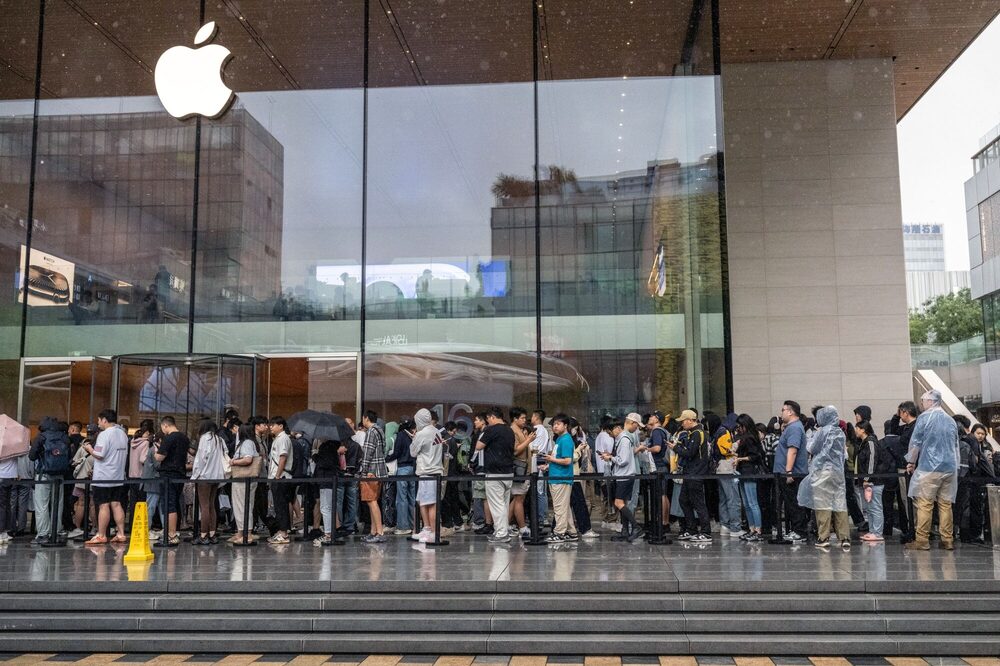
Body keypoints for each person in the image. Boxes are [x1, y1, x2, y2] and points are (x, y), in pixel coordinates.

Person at [904, 390, 959, 551]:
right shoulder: (950, 419)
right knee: (945, 504)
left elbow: (916, 442)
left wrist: (911, 462)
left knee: (925, 503)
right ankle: (947, 539)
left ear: (930, 401)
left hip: (929, 468)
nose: (922, 404)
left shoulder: (924, 418)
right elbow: (955, 445)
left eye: (923, 401)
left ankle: (922, 540)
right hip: (949, 467)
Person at [798, 406, 850, 550]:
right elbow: (843, 454)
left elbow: (812, 448)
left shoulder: (822, 431)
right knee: (840, 504)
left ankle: (823, 537)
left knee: (823, 505)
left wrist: (811, 440)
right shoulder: (840, 432)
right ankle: (844, 537)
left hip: (822, 472)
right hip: (838, 473)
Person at [83, 410, 129, 546]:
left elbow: (99, 454)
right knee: (116, 504)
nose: (98, 423)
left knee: (103, 505)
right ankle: (121, 533)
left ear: (104, 420)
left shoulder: (104, 434)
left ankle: (101, 535)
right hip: (118, 476)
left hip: (103, 476)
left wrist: (89, 448)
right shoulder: (123, 434)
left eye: (99, 420)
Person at [671, 409, 712, 543]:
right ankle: (691, 529)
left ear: (690, 420)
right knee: (684, 500)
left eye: (683, 421)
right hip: (690, 473)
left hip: (696, 473)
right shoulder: (693, 433)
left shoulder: (698, 433)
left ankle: (706, 532)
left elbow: (689, 453)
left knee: (698, 502)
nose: (682, 423)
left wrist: (675, 448)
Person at [28, 417, 70, 544]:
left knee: (42, 505)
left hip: (44, 474)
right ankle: (56, 531)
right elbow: (69, 455)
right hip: (60, 475)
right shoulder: (64, 437)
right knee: (58, 504)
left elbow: (32, 456)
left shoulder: (41, 437)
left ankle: (43, 534)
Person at [478, 407, 515, 544]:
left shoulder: (491, 430)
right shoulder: (509, 430)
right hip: (508, 471)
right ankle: (502, 530)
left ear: (492, 417)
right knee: (504, 504)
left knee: (497, 504)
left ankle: (501, 533)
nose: (488, 422)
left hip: (494, 472)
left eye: (488, 419)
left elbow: (478, 446)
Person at [600, 415, 640, 542]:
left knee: (618, 503)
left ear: (617, 428)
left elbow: (623, 461)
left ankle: (636, 527)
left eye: (610, 432)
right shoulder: (621, 439)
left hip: (624, 476)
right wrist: (611, 456)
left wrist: (610, 458)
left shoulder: (624, 440)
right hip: (623, 475)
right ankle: (625, 531)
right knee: (623, 503)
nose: (609, 434)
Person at [774, 400, 809, 541]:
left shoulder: (794, 428)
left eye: (783, 410)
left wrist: (788, 471)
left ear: (790, 412)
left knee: (795, 503)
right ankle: (797, 530)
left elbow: (793, 450)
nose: (781, 413)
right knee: (791, 503)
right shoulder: (791, 427)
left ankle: (800, 532)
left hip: (792, 473)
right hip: (789, 473)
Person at [856, 420, 893, 543]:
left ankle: (877, 532)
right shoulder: (864, 443)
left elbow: (872, 461)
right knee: (870, 508)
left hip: (873, 481)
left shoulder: (870, 442)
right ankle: (872, 531)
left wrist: (867, 478)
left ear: (863, 429)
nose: (856, 431)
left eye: (857, 428)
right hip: (867, 481)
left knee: (875, 507)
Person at [191, 421, 227, 545]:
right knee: (211, 505)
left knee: (204, 506)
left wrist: (195, 475)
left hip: (204, 476)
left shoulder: (205, 439)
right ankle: (212, 534)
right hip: (216, 476)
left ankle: (203, 535)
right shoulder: (219, 439)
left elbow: (201, 459)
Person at [542, 414, 576, 543]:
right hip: (557, 476)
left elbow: (567, 461)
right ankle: (571, 532)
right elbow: (559, 459)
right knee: (564, 507)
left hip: (561, 478)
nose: (555, 426)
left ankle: (559, 533)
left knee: (559, 508)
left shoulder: (566, 440)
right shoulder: (560, 439)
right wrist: (548, 465)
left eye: (558, 424)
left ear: (565, 425)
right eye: (554, 424)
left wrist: (551, 459)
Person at [410, 408, 443, 543]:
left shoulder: (421, 434)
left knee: (430, 503)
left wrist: (414, 438)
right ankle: (427, 529)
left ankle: (434, 533)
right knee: (422, 501)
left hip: (427, 471)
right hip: (433, 470)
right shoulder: (436, 431)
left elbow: (413, 452)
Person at [155, 416, 189, 546]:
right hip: (180, 474)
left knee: (169, 505)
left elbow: (160, 457)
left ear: (165, 425)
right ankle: (174, 532)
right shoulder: (184, 438)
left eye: (162, 428)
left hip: (168, 475)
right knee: (175, 503)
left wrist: (155, 453)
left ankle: (171, 534)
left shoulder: (169, 438)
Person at [732, 414, 765, 542]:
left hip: (749, 471)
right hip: (744, 471)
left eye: (740, 426)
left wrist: (740, 458)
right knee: (747, 504)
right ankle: (752, 529)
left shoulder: (750, 438)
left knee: (752, 503)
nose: (738, 429)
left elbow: (755, 456)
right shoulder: (748, 437)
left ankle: (757, 530)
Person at [359, 410, 388, 544]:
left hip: (372, 471)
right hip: (380, 470)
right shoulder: (380, 430)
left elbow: (367, 452)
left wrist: (364, 471)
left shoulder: (371, 431)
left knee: (371, 501)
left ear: (366, 418)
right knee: (373, 500)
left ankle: (380, 532)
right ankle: (373, 531)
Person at [387, 417, 416, 536]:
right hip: (413, 469)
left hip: (403, 468)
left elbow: (397, 453)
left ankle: (403, 526)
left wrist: (387, 458)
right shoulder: (414, 436)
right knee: (412, 497)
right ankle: (414, 525)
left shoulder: (400, 435)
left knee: (401, 498)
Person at [267, 416, 294, 545]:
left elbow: (283, 457)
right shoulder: (279, 438)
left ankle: (283, 533)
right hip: (278, 476)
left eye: (273, 425)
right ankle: (282, 530)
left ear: (281, 426)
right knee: (279, 505)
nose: (270, 427)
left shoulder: (283, 438)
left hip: (281, 476)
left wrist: (277, 475)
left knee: (281, 505)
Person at [509, 407, 534, 538]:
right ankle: (522, 527)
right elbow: (516, 450)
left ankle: (506, 524)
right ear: (515, 419)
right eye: (522, 418)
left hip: (524, 468)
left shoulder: (519, 430)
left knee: (517, 498)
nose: (525, 420)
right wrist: (528, 440)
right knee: (519, 498)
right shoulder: (513, 431)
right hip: (520, 469)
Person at [645, 412, 671, 535]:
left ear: (657, 419)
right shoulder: (663, 431)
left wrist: (646, 449)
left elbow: (657, 448)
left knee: (661, 495)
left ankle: (663, 522)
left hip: (659, 466)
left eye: (652, 416)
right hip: (663, 466)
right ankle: (665, 522)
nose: (650, 418)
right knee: (663, 495)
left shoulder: (656, 431)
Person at [529, 410, 551, 528]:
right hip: (543, 461)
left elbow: (532, 447)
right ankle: (543, 517)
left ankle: (541, 518)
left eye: (532, 416)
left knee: (539, 492)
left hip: (537, 462)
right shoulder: (546, 431)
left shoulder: (536, 430)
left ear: (536, 417)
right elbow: (549, 449)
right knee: (542, 492)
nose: (531, 418)